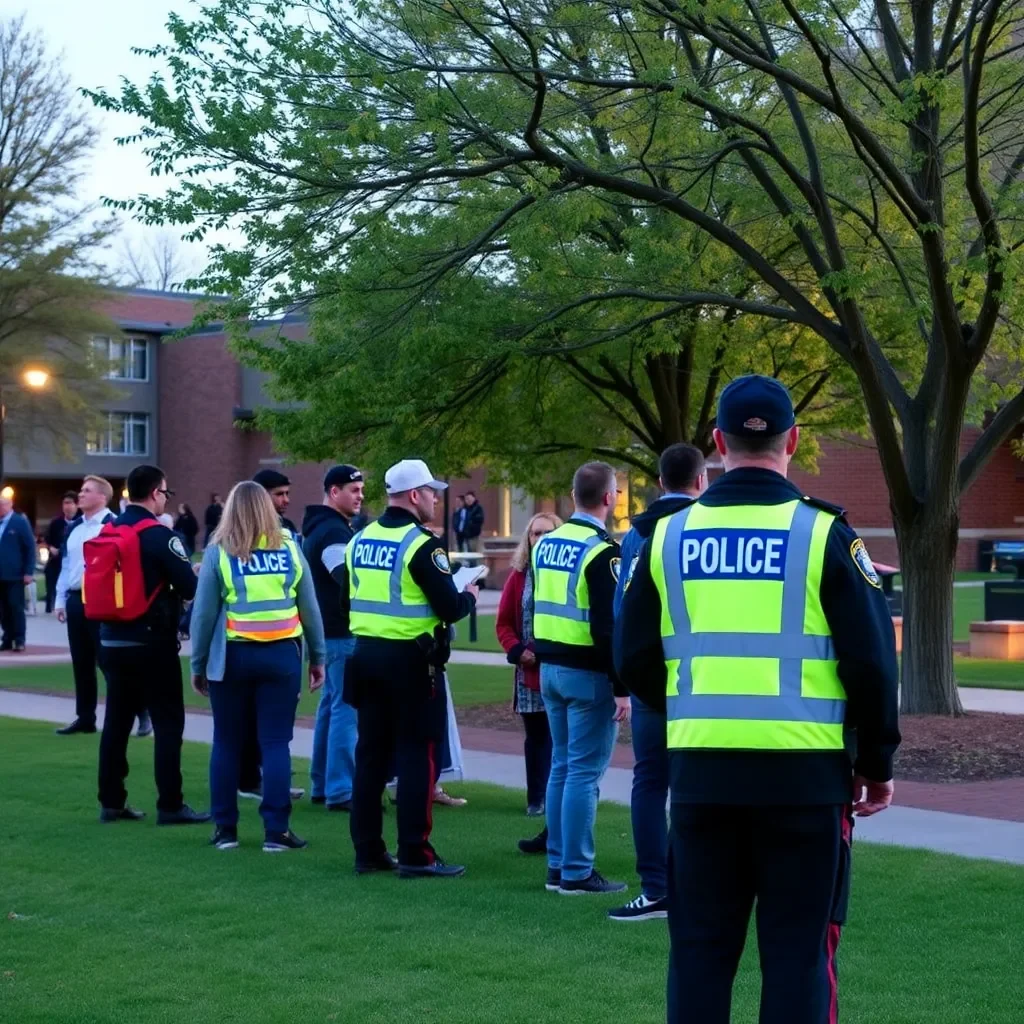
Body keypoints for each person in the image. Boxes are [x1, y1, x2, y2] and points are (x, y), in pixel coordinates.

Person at [615, 375, 901, 1024]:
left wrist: (692, 702)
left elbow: (632, 658)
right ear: (793, 441)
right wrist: (877, 762)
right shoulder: (824, 535)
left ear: (716, 443)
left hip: (700, 778)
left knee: (698, 956)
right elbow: (873, 665)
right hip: (804, 779)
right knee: (798, 958)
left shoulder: (667, 537)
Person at [341, 458, 478, 878]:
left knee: (370, 757)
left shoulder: (359, 538)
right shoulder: (422, 545)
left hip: (365, 656)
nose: (436, 499)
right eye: (431, 492)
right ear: (415, 496)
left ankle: (368, 850)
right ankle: (415, 854)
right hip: (411, 662)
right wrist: (469, 593)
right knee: (418, 755)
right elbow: (449, 606)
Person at [190, 481, 326, 851]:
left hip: (233, 657)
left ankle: (225, 830)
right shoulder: (290, 547)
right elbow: (310, 608)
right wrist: (318, 656)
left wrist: (198, 665)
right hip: (281, 655)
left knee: (227, 743)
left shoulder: (220, 550)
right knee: (276, 744)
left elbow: (203, 616)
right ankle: (276, 832)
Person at [608, 443, 707, 923]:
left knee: (649, 781)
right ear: (701, 480)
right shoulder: (707, 528)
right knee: (696, 782)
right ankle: (699, 886)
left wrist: (630, 678)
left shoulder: (637, 535)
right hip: (702, 678)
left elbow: (623, 614)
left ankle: (655, 888)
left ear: (660, 482)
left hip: (652, 676)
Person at [531, 462, 628, 896]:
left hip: (550, 668)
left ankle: (558, 864)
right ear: (610, 498)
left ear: (573, 496)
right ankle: (576, 871)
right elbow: (608, 628)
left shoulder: (546, 544)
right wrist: (622, 686)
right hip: (587, 674)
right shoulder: (603, 551)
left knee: (563, 768)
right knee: (584, 774)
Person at [96, 464, 210, 826]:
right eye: (166, 493)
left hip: (111, 639)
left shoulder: (108, 529)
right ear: (156, 492)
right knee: (167, 723)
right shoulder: (160, 536)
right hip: (152, 641)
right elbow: (192, 590)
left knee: (115, 723)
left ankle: (111, 801)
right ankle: (170, 803)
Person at [239, 468, 305, 802]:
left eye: (287, 494)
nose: (285, 501)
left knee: (276, 723)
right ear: (260, 495)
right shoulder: (235, 535)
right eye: (278, 494)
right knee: (255, 722)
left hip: (284, 638)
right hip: (249, 644)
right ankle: (251, 778)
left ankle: (264, 778)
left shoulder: (288, 532)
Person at [301, 464, 364, 810]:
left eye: (361, 490)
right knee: (346, 709)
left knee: (331, 706)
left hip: (327, 630)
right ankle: (340, 789)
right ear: (333, 490)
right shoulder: (332, 533)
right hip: (341, 630)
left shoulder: (322, 527)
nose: (360, 496)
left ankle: (323, 783)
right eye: (354, 490)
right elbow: (347, 580)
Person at [496, 513, 562, 820]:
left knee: (561, 737)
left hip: (562, 668)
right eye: (535, 534)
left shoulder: (566, 574)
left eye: (548, 533)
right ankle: (536, 798)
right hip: (529, 670)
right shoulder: (518, 577)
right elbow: (504, 623)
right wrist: (517, 650)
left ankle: (560, 796)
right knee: (536, 737)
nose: (540, 539)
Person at [54, 477, 124, 735]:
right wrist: (60, 600)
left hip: (102, 601)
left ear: (102, 497)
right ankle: (85, 717)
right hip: (76, 599)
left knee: (108, 661)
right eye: (81, 490)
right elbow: (66, 566)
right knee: (81, 662)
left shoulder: (114, 524)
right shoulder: (74, 528)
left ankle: (136, 711)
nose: (80, 495)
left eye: (86, 491)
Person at [0, 495, 36, 653]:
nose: (0, 508)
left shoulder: (20, 522)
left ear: (10, 505)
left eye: (2, 505)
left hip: (15, 574)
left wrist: (28, 571)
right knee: (2, 609)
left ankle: (19, 639)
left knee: (16, 607)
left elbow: (30, 548)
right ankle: (7, 638)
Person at [44, 492, 78, 615]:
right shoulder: (56, 523)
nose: (67, 506)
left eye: (70, 503)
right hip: (56, 558)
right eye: (65, 503)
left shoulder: (80, 522)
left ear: (76, 505)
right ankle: (51, 604)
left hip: (73, 559)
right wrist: (51, 548)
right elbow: (47, 539)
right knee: (50, 574)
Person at [252, 469, 299, 538]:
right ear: (261, 496)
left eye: (287, 493)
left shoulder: (287, 525)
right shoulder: (246, 526)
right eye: (279, 494)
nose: (286, 500)